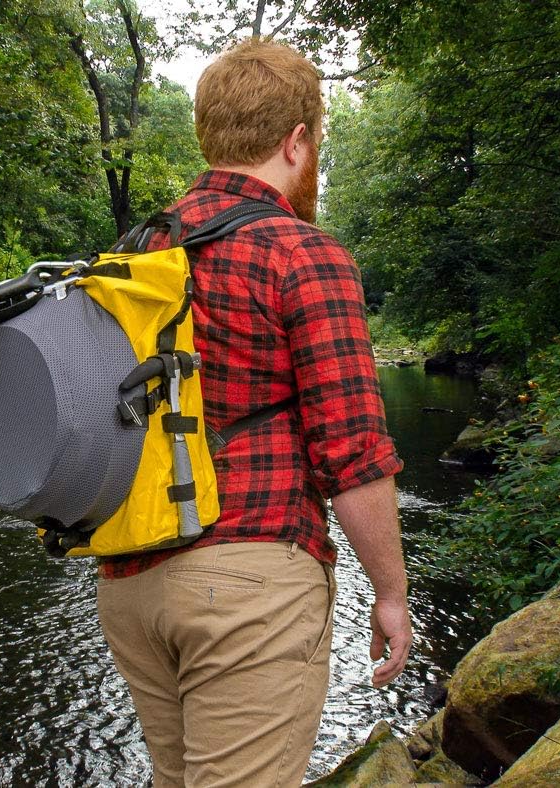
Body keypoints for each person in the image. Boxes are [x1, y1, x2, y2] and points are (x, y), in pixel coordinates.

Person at [96, 39, 412, 788]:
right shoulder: (303, 253)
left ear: (210, 133)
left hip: (129, 582)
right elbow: (354, 452)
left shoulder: (133, 253)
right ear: (297, 141)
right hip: (249, 582)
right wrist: (391, 592)